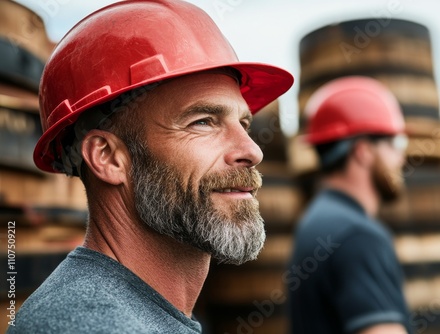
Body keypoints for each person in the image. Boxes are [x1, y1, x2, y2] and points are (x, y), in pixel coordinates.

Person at [8, 0, 293, 333]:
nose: (252, 150)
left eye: (243, 123)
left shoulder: (139, 313)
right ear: (108, 158)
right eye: (203, 122)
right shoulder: (90, 325)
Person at [287, 76, 412, 334]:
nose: (402, 158)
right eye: (395, 144)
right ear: (363, 150)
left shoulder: (317, 219)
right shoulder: (359, 237)